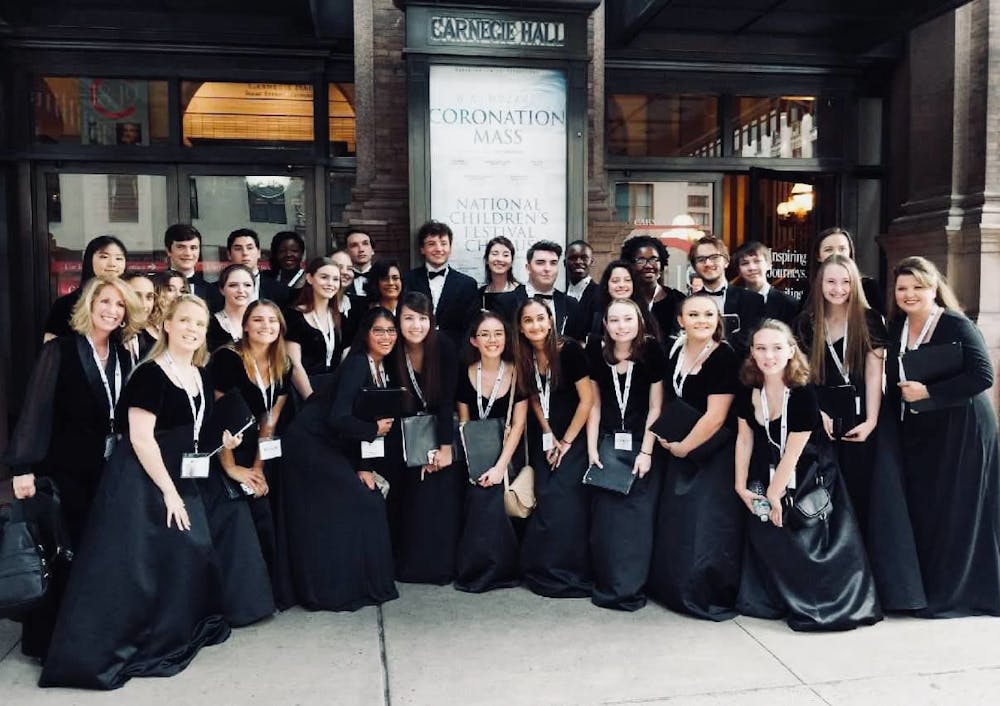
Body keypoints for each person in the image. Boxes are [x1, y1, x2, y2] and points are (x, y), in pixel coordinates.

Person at [39, 295, 265, 689]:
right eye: (185, 321)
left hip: (181, 476)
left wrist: (224, 441)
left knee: (188, 551)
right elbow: (142, 439)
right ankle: (140, 639)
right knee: (142, 565)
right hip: (143, 480)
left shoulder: (199, 373)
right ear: (167, 326)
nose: (192, 329)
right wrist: (169, 493)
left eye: (199, 324)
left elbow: (197, 431)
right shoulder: (149, 374)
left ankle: (174, 628)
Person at [3, 276, 141, 660]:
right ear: (89, 305)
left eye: (120, 304)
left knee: (97, 554)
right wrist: (23, 467)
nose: (112, 310)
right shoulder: (61, 350)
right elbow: (36, 408)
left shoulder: (123, 355)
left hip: (108, 469)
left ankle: (88, 636)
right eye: (105, 301)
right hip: (65, 470)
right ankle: (49, 644)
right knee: (62, 553)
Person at [795, 255, 925, 612]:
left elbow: (873, 375)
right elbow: (801, 375)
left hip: (864, 418)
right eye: (830, 281)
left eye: (845, 282)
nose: (838, 289)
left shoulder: (869, 319)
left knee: (871, 499)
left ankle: (879, 588)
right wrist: (815, 412)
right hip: (822, 417)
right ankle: (834, 583)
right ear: (819, 284)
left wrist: (871, 420)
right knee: (829, 501)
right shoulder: (806, 322)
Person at [734, 319, 881, 631]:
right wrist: (740, 484)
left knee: (805, 536)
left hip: (809, 474)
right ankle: (774, 600)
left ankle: (819, 603)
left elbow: (794, 451)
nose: (768, 356)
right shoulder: (749, 390)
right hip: (769, 468)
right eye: (761, 348)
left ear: (791, 351)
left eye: (777, 348)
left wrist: (774, 494)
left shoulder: (803, 393)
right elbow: (744, 439)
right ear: (752, 353)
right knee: (768, 536)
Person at [886, 256, 1000, 618]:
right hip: (926, 429)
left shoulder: (954, 323)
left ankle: (960, 594)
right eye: (902, 288)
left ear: (933, 287)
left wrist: (929, 392)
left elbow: (983, 376)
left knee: (959, 509)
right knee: (934, 508)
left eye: (917, 287)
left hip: (964, 426)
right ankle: (932, 586)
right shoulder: (897, 327)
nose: (909, 294)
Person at [277, 308, 400, 611]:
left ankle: (357, 581)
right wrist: (373, 430)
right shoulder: (358, 364)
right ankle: (333, 589)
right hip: (309, 444)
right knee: (359, 503)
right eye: (378, 330)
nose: (386, 337)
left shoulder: (381, 366)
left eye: (391, 330)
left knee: (368, 501)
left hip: (332, 444)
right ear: (365, 334)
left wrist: (364, 466)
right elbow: (339, 417)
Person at [647, 293, 744, 620]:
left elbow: (716, 416)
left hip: (711, 453)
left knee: (703, 524)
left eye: (708, 314)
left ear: (718, 320)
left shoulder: (724, 356)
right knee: (678, 523)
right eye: (693, 315)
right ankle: (674, 589)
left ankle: (704, 592)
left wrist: (684, 447)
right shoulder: (675, 349)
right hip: (678, 447)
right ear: (680, 320)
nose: (702, 320)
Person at [585, 298, 665, 611]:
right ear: (605, 324)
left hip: (642, 445)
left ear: (639, 321)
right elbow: (595, 404)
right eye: (615, 320)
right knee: (607, 520)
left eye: (628, 319)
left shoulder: (652, 350)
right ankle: (607, 583)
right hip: (607, 445)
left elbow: (656, 407)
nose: (622, 326)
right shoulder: (597, 352)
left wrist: (646, 451)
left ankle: (631, 587)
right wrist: (592, 447)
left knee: (635, 521)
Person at [514, 297, 594, 597]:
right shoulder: (524, 355)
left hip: (574, 436)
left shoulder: (569, 351)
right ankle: (543, 569)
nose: (535, 325)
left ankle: (569, 571)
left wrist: (566, 442)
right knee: (545, 496)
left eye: (540, 318)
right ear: (520, 328)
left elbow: (587, 400)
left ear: (550, 321)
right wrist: (548, 433)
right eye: (528, 320)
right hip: (546, 436)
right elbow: (535, 397)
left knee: (565, 501)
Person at [209, 300, 290, 588]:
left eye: (272, 320)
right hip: (225, 448)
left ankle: (269, 586)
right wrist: (232, 469)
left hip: (258, 449)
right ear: (245, 326)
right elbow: (221, 420)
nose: (266, 326)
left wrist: (258, 470)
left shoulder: (283, 363)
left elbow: (270, 421)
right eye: (258, 320)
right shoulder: (227, 358)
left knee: (269, 503)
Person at [389, 292, 462, 584]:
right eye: (408, 318)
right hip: (402, 433)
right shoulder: (392, 347)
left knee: (438, 493)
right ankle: (406, 564)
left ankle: (441, 566)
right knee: (407, 496)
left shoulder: (443, 346)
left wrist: (443, 448)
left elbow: (447, 401)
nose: (416, 325)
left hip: (440, 429)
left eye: (422, 318)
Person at [454, 310, 528, 592]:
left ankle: (501, 571)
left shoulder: (517, 371)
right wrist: (475, 464)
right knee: (476, 494)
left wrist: (499, 467)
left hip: (508, 455)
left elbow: (519, 425)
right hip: (476, 453)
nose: (492, 340)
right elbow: (465, 423)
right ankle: (475, 570)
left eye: (498, 334)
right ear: (474, 340)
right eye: (484, 334)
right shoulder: (465, 373)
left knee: (494, 496)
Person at [403, 220, 478, 348]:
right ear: (422, 249)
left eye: (443, 243)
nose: (438, 249)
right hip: (416, 350)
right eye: (431, 244)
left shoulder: (468, 284)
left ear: (450, 248)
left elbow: (471, 326)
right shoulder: (407, 279)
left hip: (455, 352)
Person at [688, 235, 765, 357]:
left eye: (714, 257)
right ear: (694, 267)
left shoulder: (753, 300)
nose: (708, 263)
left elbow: (751, 341)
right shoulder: (687, 304)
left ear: (726, 261)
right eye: (701, 259)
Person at [493, 240, 586, 340]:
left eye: (553, 263)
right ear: (528, 268)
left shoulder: (571, 304)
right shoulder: (505, 302)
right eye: (540, 263)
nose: (547, 269)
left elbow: (577, 342)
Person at [43, 235, 128, 341]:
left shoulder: (132, 302)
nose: (112, 264)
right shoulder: (66, 304)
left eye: (119, 258)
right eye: (104, 257)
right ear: (89, 260)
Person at [284, 257, 346, 401]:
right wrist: (311, 400)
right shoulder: (293, 316)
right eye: (324, 277)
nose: (330, 283)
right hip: (304, 392)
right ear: (310, 278)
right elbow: (294, 365)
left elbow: (346, 361)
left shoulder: (341, 318)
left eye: (335, 279)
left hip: (335, 392)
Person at [619, 235, 685, 343]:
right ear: (630, 264)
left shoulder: (678, 300)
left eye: (654, 259)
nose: (648, 265)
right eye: (641, 260)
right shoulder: (624, 300)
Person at [211, 228, 289, 310]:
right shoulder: (212, 290)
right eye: (238, 249)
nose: (245, 253)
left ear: (259, 253)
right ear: (229, 254)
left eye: (250, 248)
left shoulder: (279, 290)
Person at [811, 227, 884, 314]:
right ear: (818, 256)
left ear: (850, 252)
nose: (836, 254)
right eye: (828, 250)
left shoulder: (869, 287)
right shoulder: (811, 288)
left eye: (842, 249)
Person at [588, 259, 657, 345]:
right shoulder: (596, 316)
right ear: (607, 285)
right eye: (615, 281)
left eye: (627, 280)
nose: (621, 285)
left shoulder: (645, 316)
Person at [733, 241, 798, 324]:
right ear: (738, 271)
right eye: (745, 263)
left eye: (757, 261)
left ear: (769, 265)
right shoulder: (732, 302)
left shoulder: (788, 303)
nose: (752, 268)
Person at [206, 264, 254, 352]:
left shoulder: (262, 322)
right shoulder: (208, 325)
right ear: (222, 290)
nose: (241, 290)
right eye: (233, 285)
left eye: (247, 285)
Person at [164, 223, 210, 300]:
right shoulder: (154, 286)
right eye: (181, 247)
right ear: (168, 250)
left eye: (193, 248)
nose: (188, 253)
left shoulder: (212, 291)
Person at [122, 272, 159, 362]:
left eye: (149, 297)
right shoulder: (108, 337)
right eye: (136, 296)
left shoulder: (152, 342)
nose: (143, 304)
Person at [477, 235, 519, 311]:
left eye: (505, 255)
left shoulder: (522, 292)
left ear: (512, 261)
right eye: (495, 254)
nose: (500, 259)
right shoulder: (480, 294)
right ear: (486, 260)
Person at [565, 240, 600, 329]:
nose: (578, 262)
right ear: (565, 263)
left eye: (584, 258)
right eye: (573, 258)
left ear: (592, 262)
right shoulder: (559, 296)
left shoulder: (601, 294)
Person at [345, 229, 375, 296]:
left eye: (365, 244)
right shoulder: (340, 279)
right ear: (346, 252)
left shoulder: (382, 277)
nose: (361, 249)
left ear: (372, 250)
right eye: (354, 245)